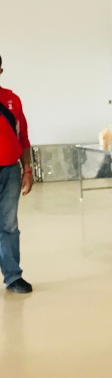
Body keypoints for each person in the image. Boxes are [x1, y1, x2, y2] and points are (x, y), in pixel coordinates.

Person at [0, 54, 34, 294]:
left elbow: (23, 138)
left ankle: (13, 277)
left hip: (10, 171)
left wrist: (27, 170)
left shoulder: (12, 100)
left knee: (9, 225)